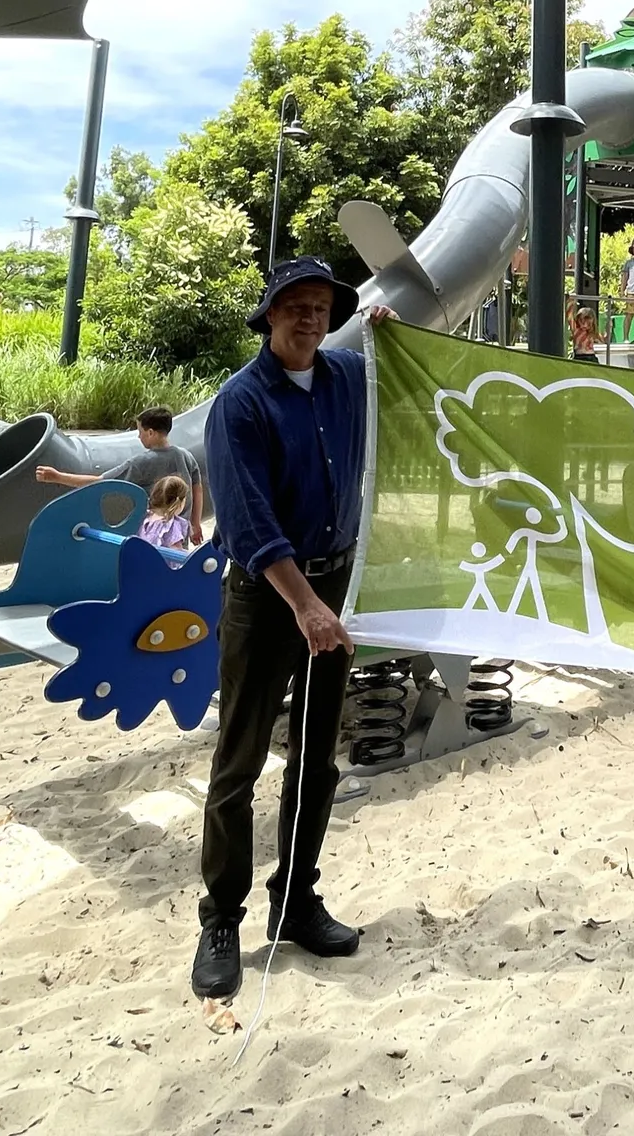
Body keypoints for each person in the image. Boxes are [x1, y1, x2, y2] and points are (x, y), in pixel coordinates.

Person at [190, 257, 395, 1001]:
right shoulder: (239, 404)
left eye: (321, 306)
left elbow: (401, 387)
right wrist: (305, 606)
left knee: (318, 754)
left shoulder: (344, 380)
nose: (309, 318)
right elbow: (247, 523)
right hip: (267, 597)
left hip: (334, 584)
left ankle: (296, 898)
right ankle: (220, 919)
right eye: (295, 306)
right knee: (238, 762)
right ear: (269, 315)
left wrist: (387, 337)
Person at [36, 406, 205, 546]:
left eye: (140, 431)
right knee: (177, 567)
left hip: (153, 538)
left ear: (151, 433)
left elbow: (100, 482)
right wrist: (195, 523)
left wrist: (57, 477)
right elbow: (197, 489)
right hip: (179, 536)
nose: (138, 436)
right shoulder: (185, 455)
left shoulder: (141, 463)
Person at [140, 474, 192, 552]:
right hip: (160, 563)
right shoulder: (172, 525)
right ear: (179, 503)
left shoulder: (145, 517)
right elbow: (176, 554)